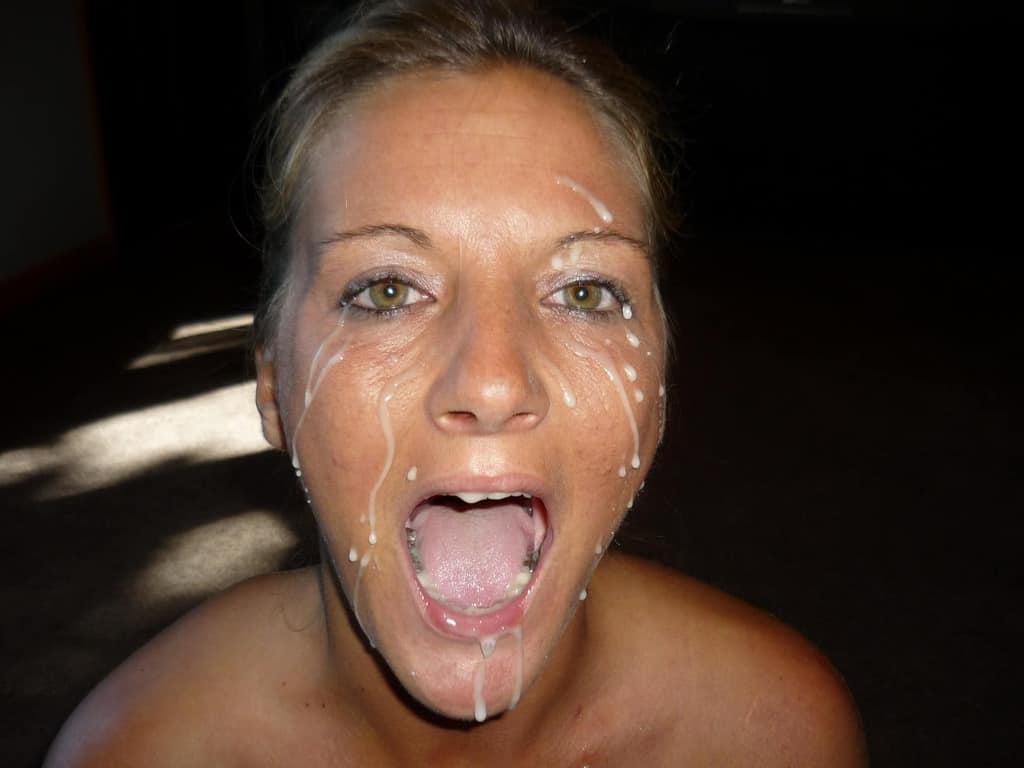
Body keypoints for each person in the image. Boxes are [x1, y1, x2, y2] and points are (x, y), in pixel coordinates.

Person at [46, 1, 868, 764]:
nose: (493, 382)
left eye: (586, 293)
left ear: (660, 389)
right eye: (386, 290)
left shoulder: (775, 736)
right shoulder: (132, 751)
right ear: (273, 389)